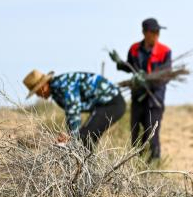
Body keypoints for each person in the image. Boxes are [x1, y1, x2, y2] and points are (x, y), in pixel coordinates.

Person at [112, 18, 172, 162]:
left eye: (158, 31)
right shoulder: (134, 49)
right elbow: (129, 66)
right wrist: (120, 63)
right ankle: (137, 165)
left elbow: (166, 75)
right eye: (154, 31)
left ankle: (154, 166)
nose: (157, 34)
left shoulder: (165, 51)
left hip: (154, 99)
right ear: (145, 33)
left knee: (152, 134)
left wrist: (148, 80)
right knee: (136, 134)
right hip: (138, 98)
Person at [23, 69, 126, 148]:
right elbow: (71, 113)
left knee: (84, 138)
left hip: (112, 104)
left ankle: (86, 171)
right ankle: (86, 170)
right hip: (102, 106)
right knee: (86, 139)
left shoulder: (62, 85)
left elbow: (74, 110)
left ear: (44, 86)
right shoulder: (56, 90)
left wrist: (71, 137)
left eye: (37, 91)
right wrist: (71, 135)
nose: (38, 95)